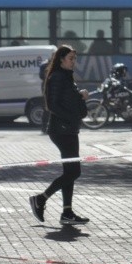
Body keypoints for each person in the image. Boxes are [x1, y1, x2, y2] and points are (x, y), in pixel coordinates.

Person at [29, 45, 90, 226]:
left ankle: (67, 212)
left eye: (75, 58)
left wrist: (80, 98)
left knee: (69, 172)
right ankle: (40, 199)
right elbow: (53, 105)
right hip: (61, 131)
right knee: (74, 171)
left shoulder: (66, 77)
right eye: (71, 58)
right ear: (61, 59)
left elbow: (71, 103)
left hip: (69, 129)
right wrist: (71, 117)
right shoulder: (57, 77)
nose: (73, 62)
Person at [38, 59, 50, 134]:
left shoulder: (59, 65)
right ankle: (44, 127)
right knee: (46, 108)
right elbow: (42, 76)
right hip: (47, 87)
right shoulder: (45, 66)